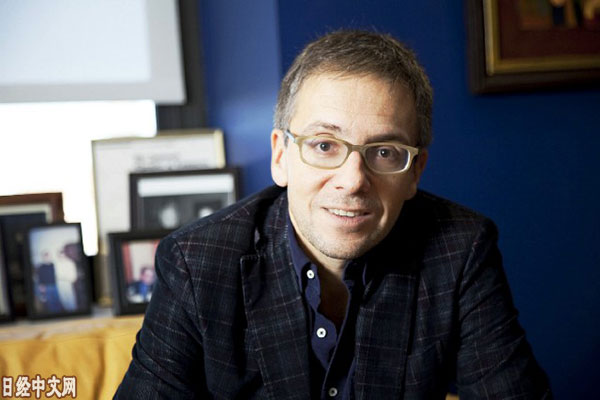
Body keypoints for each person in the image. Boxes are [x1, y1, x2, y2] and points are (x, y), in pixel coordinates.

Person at [115, 30, 552, 399]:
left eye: (384, 152)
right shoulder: (197, 262)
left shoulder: (460, 251)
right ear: (281, 156)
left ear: (415, 172)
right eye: (325, 145)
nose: (353, 180)